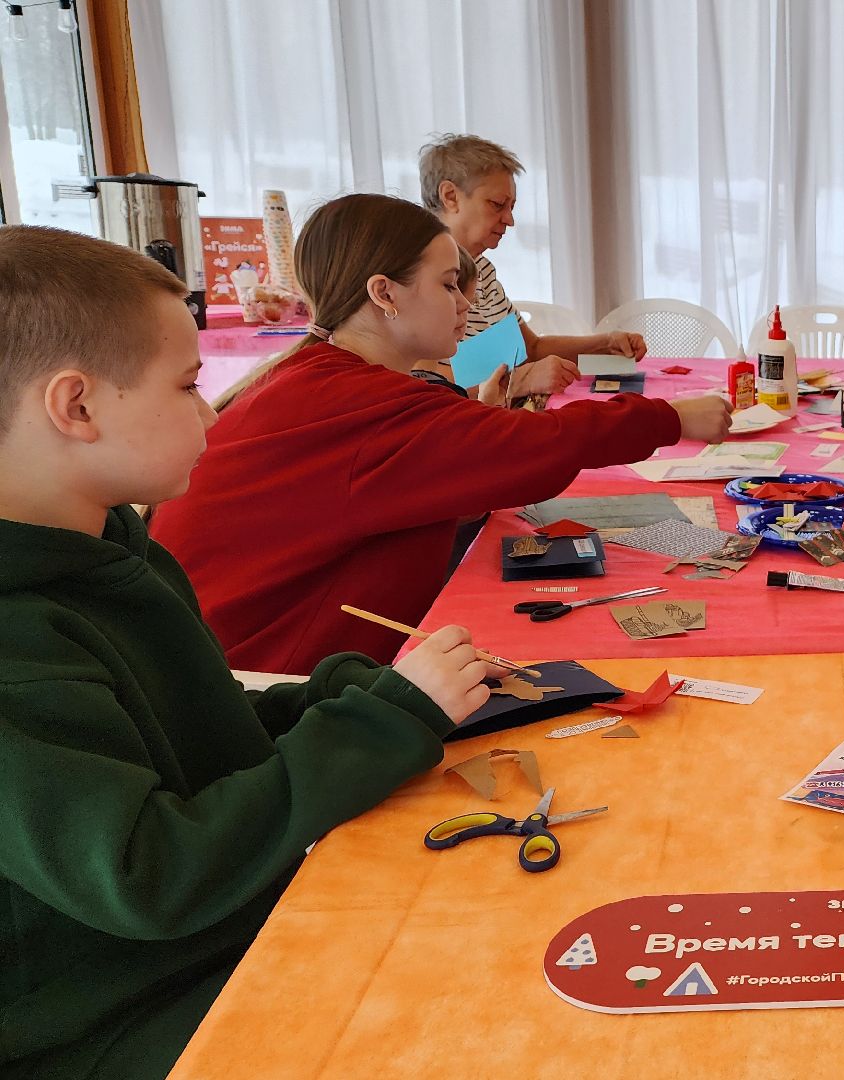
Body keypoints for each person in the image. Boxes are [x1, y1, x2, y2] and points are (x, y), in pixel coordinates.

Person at [0, 224, 493, 1079]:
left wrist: (348, 694)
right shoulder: (19, 636)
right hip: (112, 1018)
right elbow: (150, 874)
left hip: (218, 937)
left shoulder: (111, 542)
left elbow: (192, 725)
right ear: (75, 406)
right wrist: (374, 726)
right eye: (189, 385)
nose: (209, 410)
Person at [149, 194, 732, 675]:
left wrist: (477, 431)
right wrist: (672, 418)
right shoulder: (360, 403)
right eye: (450, 286)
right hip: (264, 688)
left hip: (231, 662)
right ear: (384, 294)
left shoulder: (319, 379)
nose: (466, 304)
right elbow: (542, 445)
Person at [419, 134, 645, 398]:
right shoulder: (418, 280)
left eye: (511, 207)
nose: (510, 220)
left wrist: (605, 344)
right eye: (497, 205)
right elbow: (423, 384)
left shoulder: (484, 271)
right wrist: (521, 381)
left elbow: (531, 347)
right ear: (450, 196)